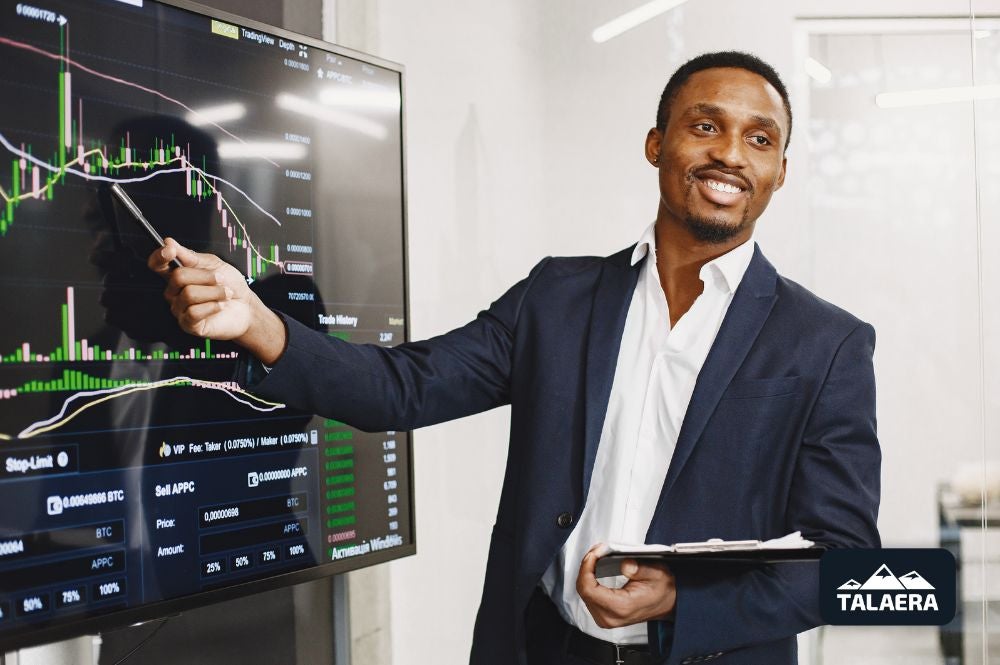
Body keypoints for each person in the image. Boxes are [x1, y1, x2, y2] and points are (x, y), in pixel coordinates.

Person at [149, 51, 880, 665]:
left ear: (781, 171)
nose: (729, 152)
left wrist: (685, 594)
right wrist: (257, 322)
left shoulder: (826, 342)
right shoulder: (556, 298)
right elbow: (403, 388)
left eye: (760, 139)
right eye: (705, 126)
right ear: (657, 143)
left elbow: (843, 560)